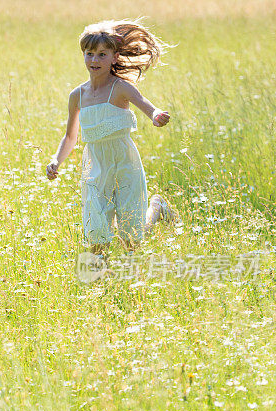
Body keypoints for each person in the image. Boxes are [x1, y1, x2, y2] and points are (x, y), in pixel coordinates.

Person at [46, 19, 175, 256]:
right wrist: (56, 160)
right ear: (84, 55)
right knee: (96, 235)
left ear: (114, 57)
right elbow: (70, 137)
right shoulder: (77, 96)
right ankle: (101, 283)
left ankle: (156, 207)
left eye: (102, 55)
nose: (95, 60)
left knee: (131, 238)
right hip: (95, 166)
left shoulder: (121, 88)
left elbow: (147, 106)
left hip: (124, 163)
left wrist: (156, 115)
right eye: (90, 54)